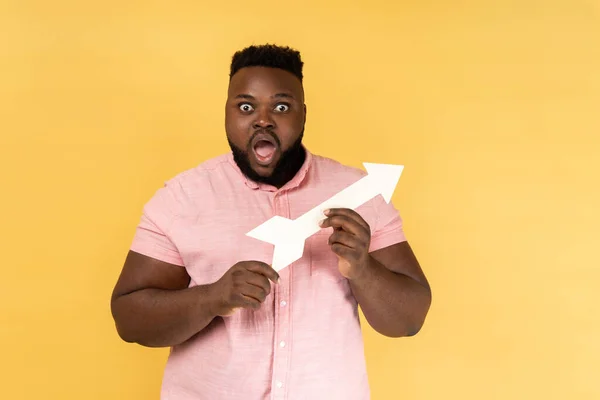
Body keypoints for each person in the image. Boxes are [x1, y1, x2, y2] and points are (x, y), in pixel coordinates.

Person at [110, 43, 432, 400]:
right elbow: (129, 319)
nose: (263, 120)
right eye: (246, 106)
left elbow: (409, 321)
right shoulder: (181, 199)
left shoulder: (360, 194)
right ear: (227, 113)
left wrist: (363, 268)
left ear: (303, 114)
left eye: (281, 106)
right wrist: (211, 298)